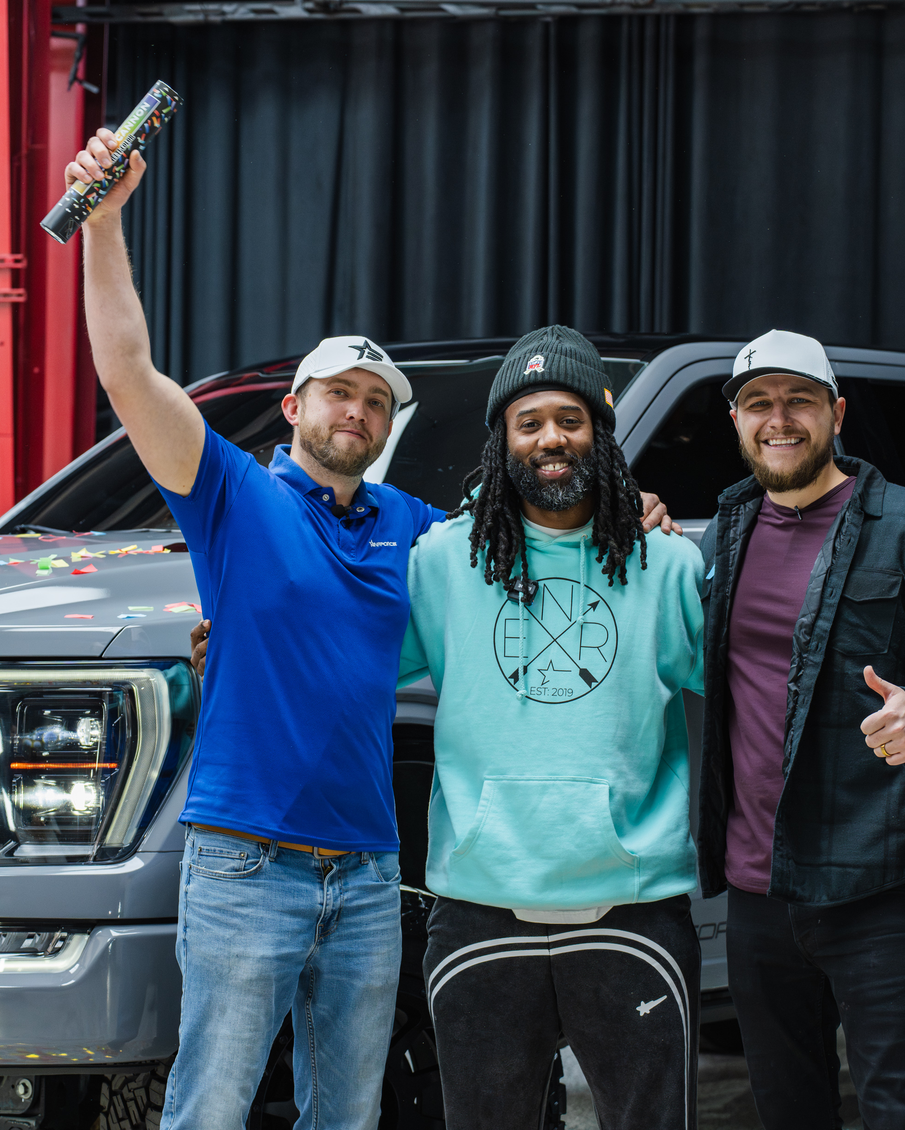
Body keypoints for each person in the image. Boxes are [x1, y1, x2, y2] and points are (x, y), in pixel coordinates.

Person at [68, 130, 442, 1129]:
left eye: (376, 402)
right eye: (339, 392)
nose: (357, 411)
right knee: (209, 1111)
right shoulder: (231, 493)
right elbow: (128, 370)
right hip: (245, 862)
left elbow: (530, 535)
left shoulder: (412, 523)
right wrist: (103, 221)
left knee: (346, 1117)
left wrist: (637, 511)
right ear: (293, 406)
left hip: (368, 871)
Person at [696, 329, 905, 1130]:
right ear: (737, 422)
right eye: (758, 404)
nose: (780, 420)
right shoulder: (726, 532)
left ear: (837, 413)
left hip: (875, 882)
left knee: (900, 1110)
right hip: (757, 888)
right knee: (787, 1109)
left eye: (800, 401)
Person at [395, 326, 705, 1130]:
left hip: (631, 901)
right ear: (501, 441)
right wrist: (241, 648)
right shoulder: (443, 561)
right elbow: (346, 668)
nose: (550, 439)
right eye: (528, 422)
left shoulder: (667, 563)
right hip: (480, 900)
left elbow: (750, 686)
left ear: (600, 431)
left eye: (570, 419)